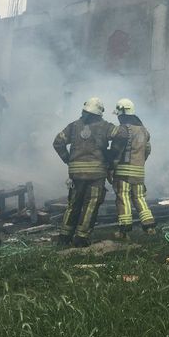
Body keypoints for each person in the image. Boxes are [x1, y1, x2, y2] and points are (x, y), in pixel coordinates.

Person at [53, 97, 124, 247]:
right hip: (96, 174)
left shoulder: (73, 126)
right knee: (90, 204)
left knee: (73, 204)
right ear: (99, 113)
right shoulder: (105, 126)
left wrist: (68, 160)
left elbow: (58, 142)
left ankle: (64, 237)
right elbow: (122, 135)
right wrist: (112, 154)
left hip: (76, 174)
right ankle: (81, 237)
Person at [111, 98, 156, 238]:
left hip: (123, 173)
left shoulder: (123, 130)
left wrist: (112, 167)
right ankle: (149, 227)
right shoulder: (143, 130)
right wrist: (139, 163)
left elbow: (116, 151)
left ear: (122, 112)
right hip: (139, 172)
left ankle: (124, 231)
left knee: (123, 198)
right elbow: (147, 150)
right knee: (139, 198)